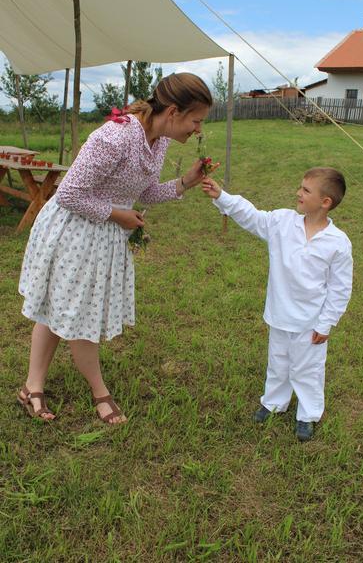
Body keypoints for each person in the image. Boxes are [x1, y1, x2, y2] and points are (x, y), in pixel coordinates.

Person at [17, 72, 217, 424]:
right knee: (79, 314)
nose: (198, 129)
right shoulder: (115, 137)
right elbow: (69, 194)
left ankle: (31, 387)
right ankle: (100, 392)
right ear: (174, 112)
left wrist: (186, 181)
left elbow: (144, 193)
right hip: (74, 233)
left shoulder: (159, 141)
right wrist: (117, 214)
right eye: (196, 120)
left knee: (59, 307)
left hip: (101, 235)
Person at [202, 167, 353, 441]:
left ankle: (308, 414)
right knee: (278, 364)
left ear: (325, 202)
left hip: (311, 324)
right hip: (279, 315)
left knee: (307, 371)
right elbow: (252, 216)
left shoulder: (338, 243)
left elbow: (340, 288)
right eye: (300, 187)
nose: (298, 192)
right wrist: (222, 197)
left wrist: (326, 323)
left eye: (306, 190)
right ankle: (273, 403)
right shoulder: (283, 223)